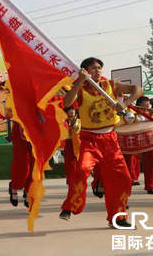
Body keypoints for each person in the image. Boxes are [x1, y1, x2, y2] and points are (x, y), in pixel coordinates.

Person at [59, 57, 142, 228]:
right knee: (81, 170)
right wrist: (79, 82)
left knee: (122, 178)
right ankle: (70, 207)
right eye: (93, 68)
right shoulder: (80, 88)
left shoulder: (111, 85)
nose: (97, 71)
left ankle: (118, 218)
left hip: (110, 139)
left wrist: (125, 103)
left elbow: (137, 89)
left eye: (99, 68)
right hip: (90, 139)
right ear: (85, 71)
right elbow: (67, 102)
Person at [135, 96, 153, 194]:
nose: (148, 107)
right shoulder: (136, 115)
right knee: (150, 165)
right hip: (146, 143)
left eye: (148, 105)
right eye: (145, 106)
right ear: (139, 106)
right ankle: (150, 187)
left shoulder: (151, 113)